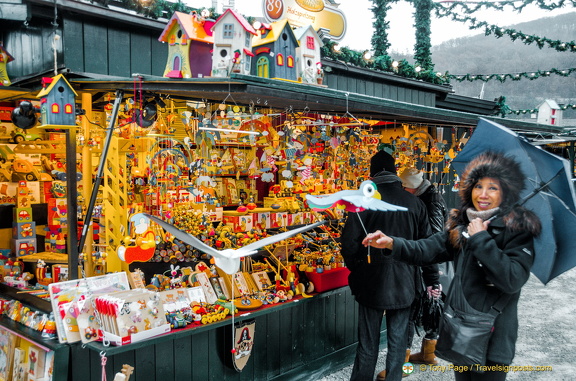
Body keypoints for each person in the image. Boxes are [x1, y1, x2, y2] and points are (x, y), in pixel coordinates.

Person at [363, 151, 541, 381]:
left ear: (506, 192)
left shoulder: (517, 230)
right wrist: (392, 243)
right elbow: (427, 248)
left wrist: (481, 240)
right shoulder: (463, 226)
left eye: (493, 188)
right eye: (478, 187)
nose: (483, 194)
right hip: (461, 330)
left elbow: (512, 279)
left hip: (492, 340)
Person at [341, 150, 431, 381]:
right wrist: (430, 280)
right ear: (394, 173)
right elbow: (425, 247)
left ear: (372, 175)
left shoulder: (363, 204)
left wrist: (357, 267)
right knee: (398, 343)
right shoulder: (416, 204)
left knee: (367, 343)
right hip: (404, 281)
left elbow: (349, 243)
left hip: (370, 279)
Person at [399, 167, 450, 366]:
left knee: (420, 307)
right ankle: (428, 353)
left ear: (412, 187)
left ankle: (403, 364)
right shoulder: (427, 196)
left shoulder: (431, 200)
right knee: (431, 305)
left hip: (431, 264)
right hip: (432, 263)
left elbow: (434, 237)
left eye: (405, 187)